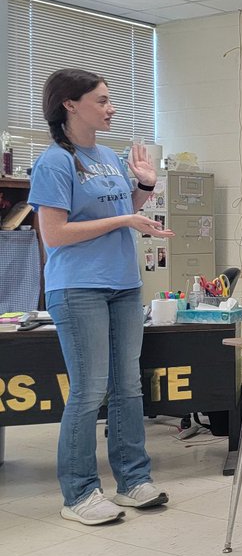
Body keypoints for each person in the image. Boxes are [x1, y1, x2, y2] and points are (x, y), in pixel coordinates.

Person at [28, 68, 174, 525]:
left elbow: (121, 208)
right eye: (103, 100)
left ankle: (133, 481)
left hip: (124, 285)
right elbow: (54, 234)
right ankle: (79, 494)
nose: (111, 108)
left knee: (127, 387)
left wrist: (144, 188)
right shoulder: (53, 162)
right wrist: (122, 222)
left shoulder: (109, 156)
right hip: (77, 288)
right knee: (89, 390)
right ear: (70, 105)